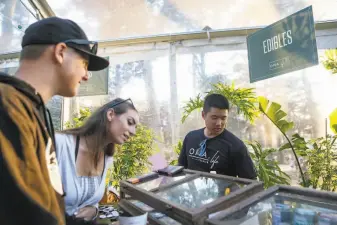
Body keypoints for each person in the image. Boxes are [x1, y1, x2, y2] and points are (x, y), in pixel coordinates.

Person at [0, 17, 109, 225]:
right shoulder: (7, 104)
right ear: (60, 52)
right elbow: (20, 213)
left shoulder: (32, 110)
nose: (86, 76)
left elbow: (46, 203)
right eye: (85, 64)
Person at [55, 98, 139, 221]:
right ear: (110, 115)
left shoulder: (107, 157)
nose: (133, 132)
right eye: (130, 122)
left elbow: (91, 199)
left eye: (135, 127)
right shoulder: (60, 143)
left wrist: (94, 210)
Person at [178, 94, 256, 179]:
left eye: (223, 118)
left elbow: (250, 181)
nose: (219, 123)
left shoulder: (236, 146)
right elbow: (181, 168)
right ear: (203, 115)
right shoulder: (191, 138)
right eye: (214, 118)